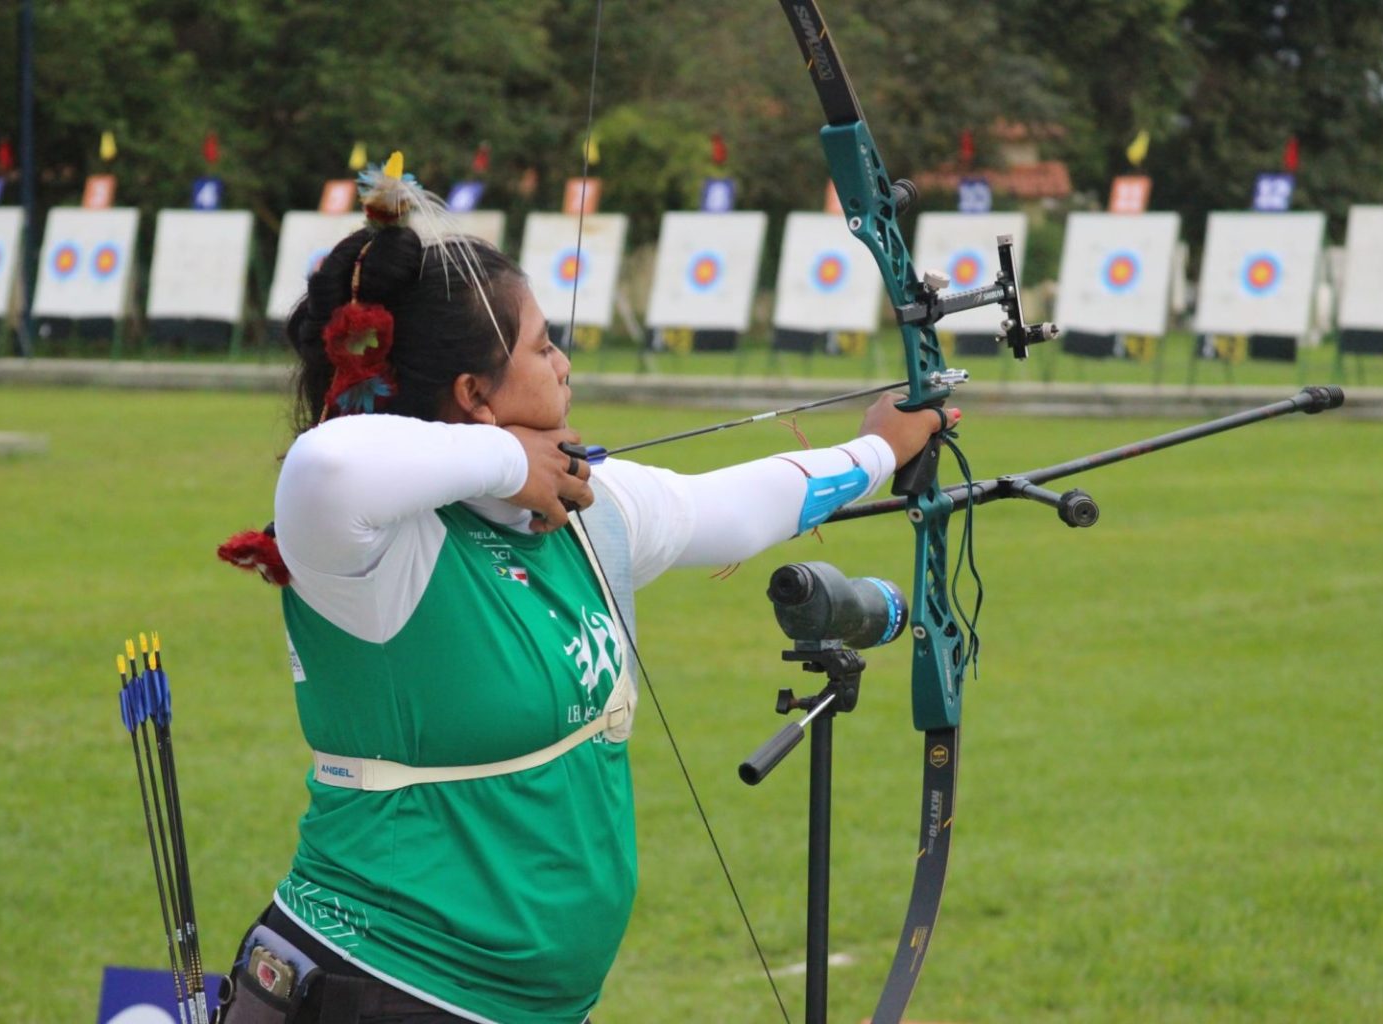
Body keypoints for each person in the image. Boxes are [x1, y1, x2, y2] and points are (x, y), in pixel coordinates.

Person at [217, 156, 955, 1024]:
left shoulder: (581, 509)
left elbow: (726, 507)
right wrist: (509, 459)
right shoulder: (377, 553)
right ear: (473, 395)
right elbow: (327, 463)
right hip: (376, 983)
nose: (565, 365)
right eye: (541, 346)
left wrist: (878, 450)